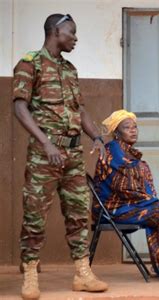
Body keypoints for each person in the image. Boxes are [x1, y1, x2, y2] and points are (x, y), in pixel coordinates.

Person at [12, 14, 108, 299]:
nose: (75, 39)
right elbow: (20, 107)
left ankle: (82, 272)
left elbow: (80, 111)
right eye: (72, 33)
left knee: (79, 212)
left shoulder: (70, 69)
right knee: (35, 215)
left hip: (73, 155)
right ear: (55, 31)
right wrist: (46, 143)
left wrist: (98, 137)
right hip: (45, 155)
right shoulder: (30, 64)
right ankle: (30, 272)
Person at [94, 109, 159, 284]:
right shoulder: (114, 152)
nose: (133, 130)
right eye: (127, 127)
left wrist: (154, 204)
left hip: (127, 206)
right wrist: (154, 203)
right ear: (116, 132)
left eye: (135, 127)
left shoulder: (126, 151)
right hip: (114, 209)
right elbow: (125, 189)